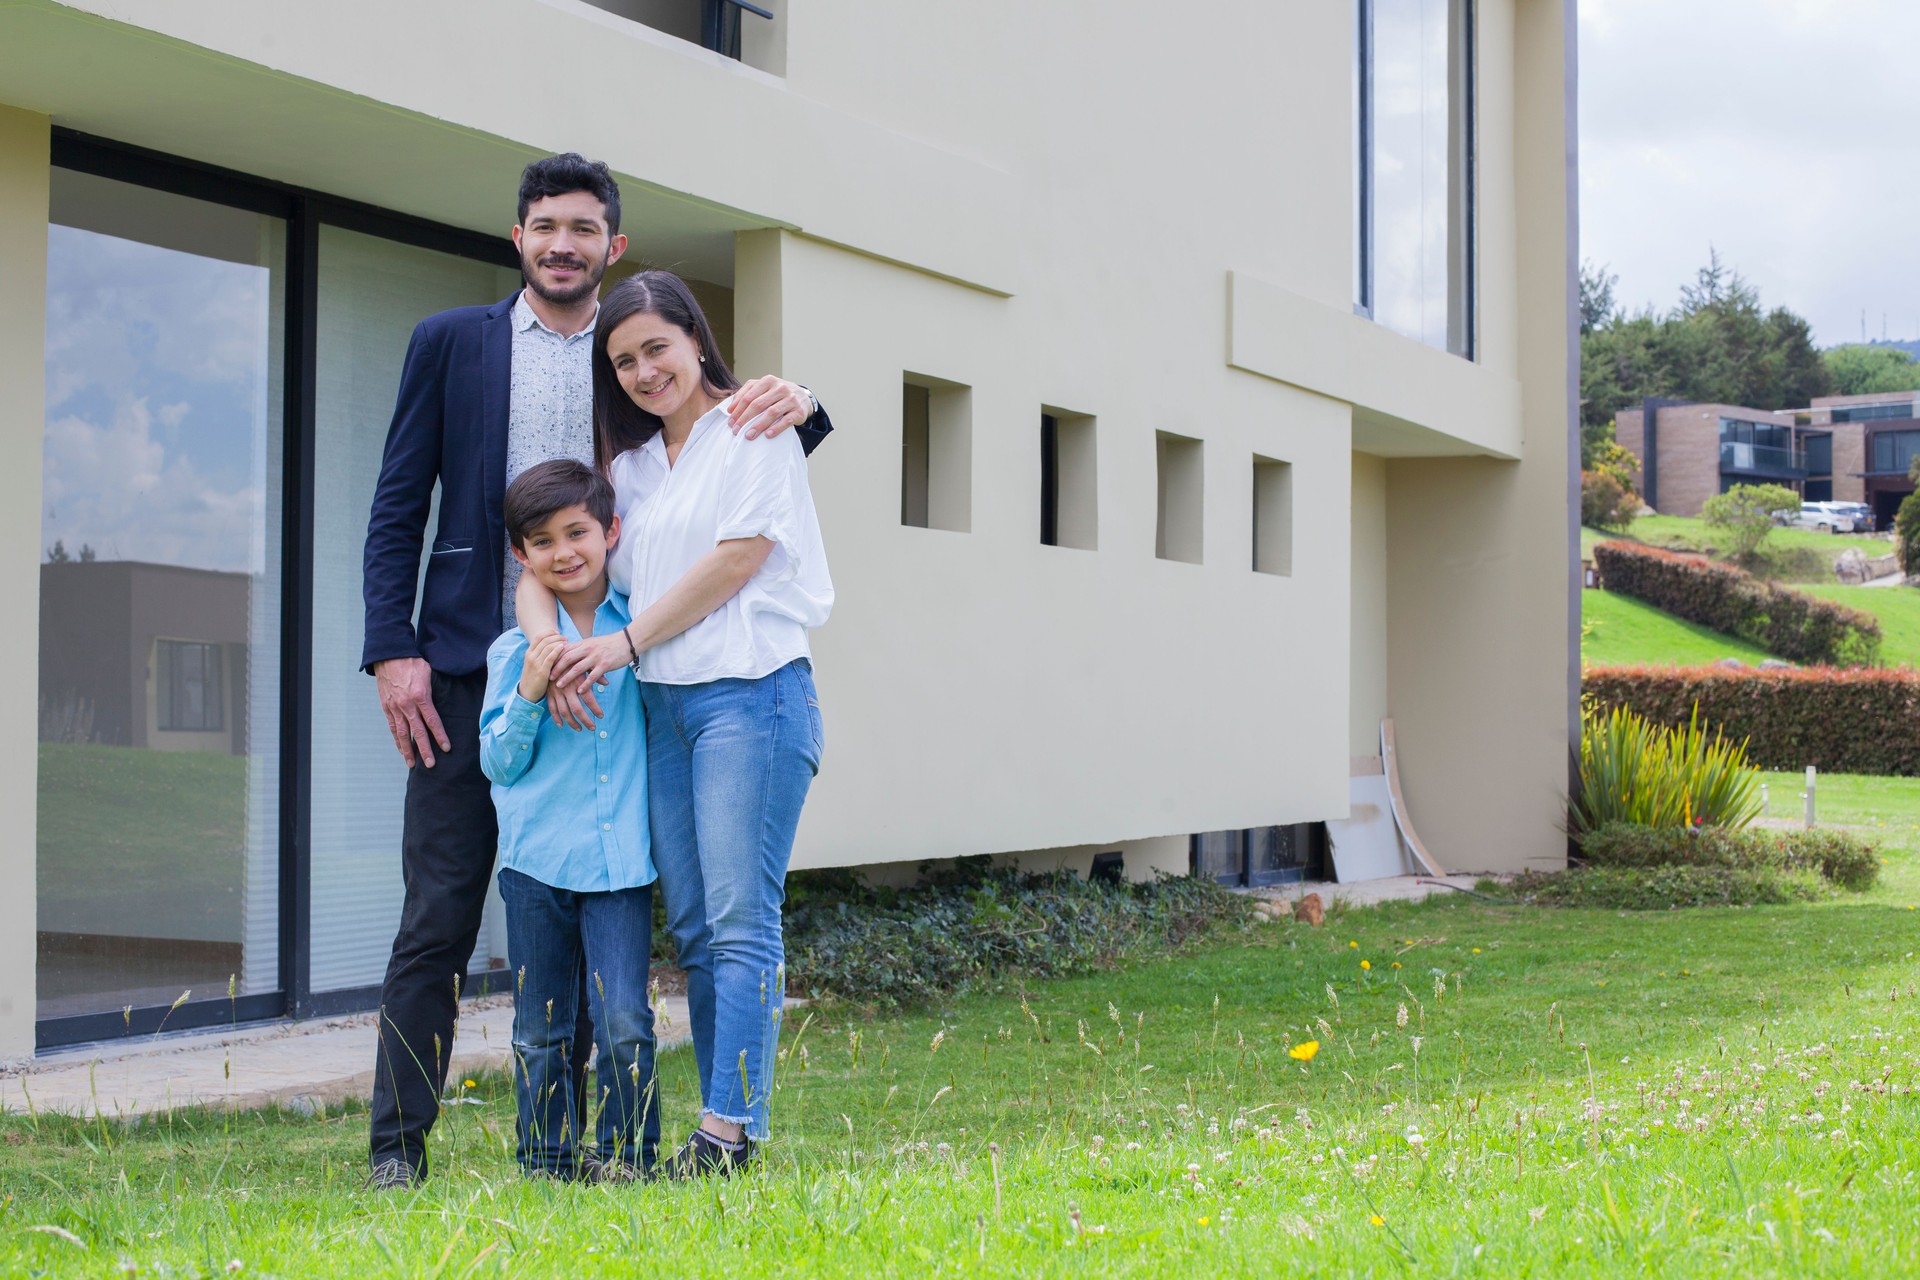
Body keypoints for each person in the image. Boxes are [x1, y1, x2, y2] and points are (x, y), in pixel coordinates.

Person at [360, 153, 831, 1190]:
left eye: (583, 229)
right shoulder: (453, 344)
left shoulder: (627, 366)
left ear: (612, 247)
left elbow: (733, 457)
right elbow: (401, 501)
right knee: (436, 918)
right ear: (518, 236)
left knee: (583, 910)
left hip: (617, 674)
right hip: (465, 674)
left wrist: (802, 397)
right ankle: (398, 1143)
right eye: (544, 226)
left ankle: (581, 1149)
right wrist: (395, 649)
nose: (562, 244)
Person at [520, 270, 831, 1177]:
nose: (643, 371)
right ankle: (716, 1123)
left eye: (656, 347)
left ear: (696, 338)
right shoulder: (628, 469)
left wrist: (619, 645)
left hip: (752, 695)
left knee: (740, 920)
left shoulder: (759, 429)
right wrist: (545, 648)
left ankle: (728, 1133)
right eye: (622, 361)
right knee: (693, 925)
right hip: (664, 709)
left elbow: (736, 563)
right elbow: (544, 558)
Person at [481, 459, 658, 1182]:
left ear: (610, 532)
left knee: (624, 1023)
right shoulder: (513, 650)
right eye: (542, 541)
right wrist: (529, 688)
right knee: (541, 1030)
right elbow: (499, 764)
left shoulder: (641, 633)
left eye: (578, 532)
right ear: (521, 556)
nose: (565, 552)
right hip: (537, 866)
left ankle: (625, 1158)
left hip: (620, 869)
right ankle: (547, 1162)